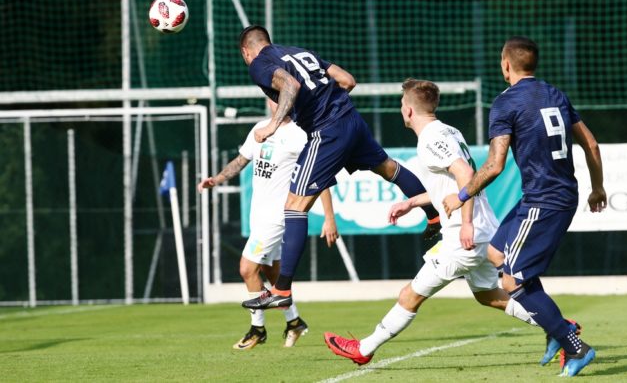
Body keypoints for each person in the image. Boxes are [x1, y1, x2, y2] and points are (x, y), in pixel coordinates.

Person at [324, 78, 541, 365]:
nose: (401, 110)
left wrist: (466, 223)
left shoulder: (430, 138)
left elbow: (465, 175)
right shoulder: (449, 131)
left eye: (402, 104)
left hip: (463, 236)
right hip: (482, 230)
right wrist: (411, 202)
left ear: (409, 110)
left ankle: (363, 349)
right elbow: (451, 185)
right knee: (489, 296)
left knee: (410, 295)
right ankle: (561, 327)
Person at [237, 25, 441, 310]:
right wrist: (328, 103)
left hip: (326, 131)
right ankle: (434, 216)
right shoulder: (300, 52)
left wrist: (272, 125)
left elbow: (291, 86)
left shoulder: (259, 64)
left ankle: (282, 290)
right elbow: (347, 80)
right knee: (388, 168)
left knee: (294, 206)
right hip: (350, 119)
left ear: (246, 52)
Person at [443, 37, 606, 377]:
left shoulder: (506, 103)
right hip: (545, 196)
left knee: (512, 281)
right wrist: (598, 187)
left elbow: (495, 165)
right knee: (496, 254)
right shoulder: (556, 94)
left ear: (506, 65)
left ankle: (574, 344)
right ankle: (555, 329)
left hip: (545, 201)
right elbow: (591, 143)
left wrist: (461, 196)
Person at [198, 99, 339, 350]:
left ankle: (257, 329)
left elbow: (320, 176)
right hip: (258, 214)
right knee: (271, 270)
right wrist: (216, 179)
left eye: (280, 97)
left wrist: (329, 217)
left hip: (278, 216)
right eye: (272, 97)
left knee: (247, 269)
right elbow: (241, 160)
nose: (275, 102)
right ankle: (294, 322)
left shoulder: (300, 134)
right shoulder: (260, 128)